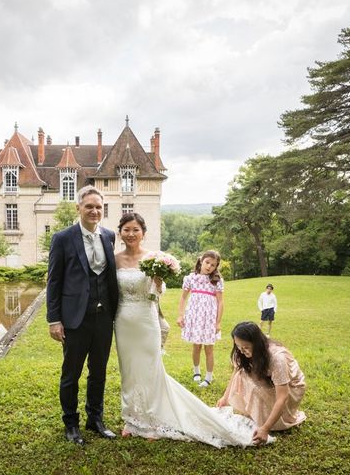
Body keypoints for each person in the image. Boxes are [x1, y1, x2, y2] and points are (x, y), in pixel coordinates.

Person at [114, 213, 271, 447]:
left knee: (150, 368)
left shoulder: (153, 258)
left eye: (135, 229)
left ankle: (151, 420)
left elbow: (159, 291)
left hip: (146, 319)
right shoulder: (114, 259)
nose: (131, 233)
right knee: (128, 368)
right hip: (123, 320)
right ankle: (132, 418)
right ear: (120, 232)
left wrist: (157, 282)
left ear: (143, 233)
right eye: (126, 229)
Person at [46, 186, 119, 446]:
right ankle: (71, 423)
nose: (94, 211)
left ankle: (95, 419)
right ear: (79, 208)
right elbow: (54, 282)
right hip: (75, 318)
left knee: (98, 371)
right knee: (71, 374)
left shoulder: (109, 236)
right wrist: (54, 320)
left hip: (104, 318)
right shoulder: (63, 238)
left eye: (98, 207)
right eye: (89, 206)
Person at [216, 321, 306, 446]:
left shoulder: (276, 358)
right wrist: (225, 398)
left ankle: (273, 418)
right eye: (238, 346)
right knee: (241, 375)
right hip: (269, 382)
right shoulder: (241, 351)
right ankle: (257, 412)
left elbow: (282, 396)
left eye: (246, 347)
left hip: (291, 388)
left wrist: (265, 428)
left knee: (255, 387)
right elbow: (236, 373)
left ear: (257, 344)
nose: (241, 351)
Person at [176, 250, 224, 387]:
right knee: (196, 346)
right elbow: (183, 297)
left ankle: (208, 377)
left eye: (213, 265)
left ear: (216, 267)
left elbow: (221, 302)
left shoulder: (217, 281)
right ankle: (196, 372)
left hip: (209, 318)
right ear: (201, 261)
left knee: (209, 349)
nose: (209, 266)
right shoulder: (191, 278)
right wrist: (180, 315)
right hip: (195, 316)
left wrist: (218, 322)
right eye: (207, 262)